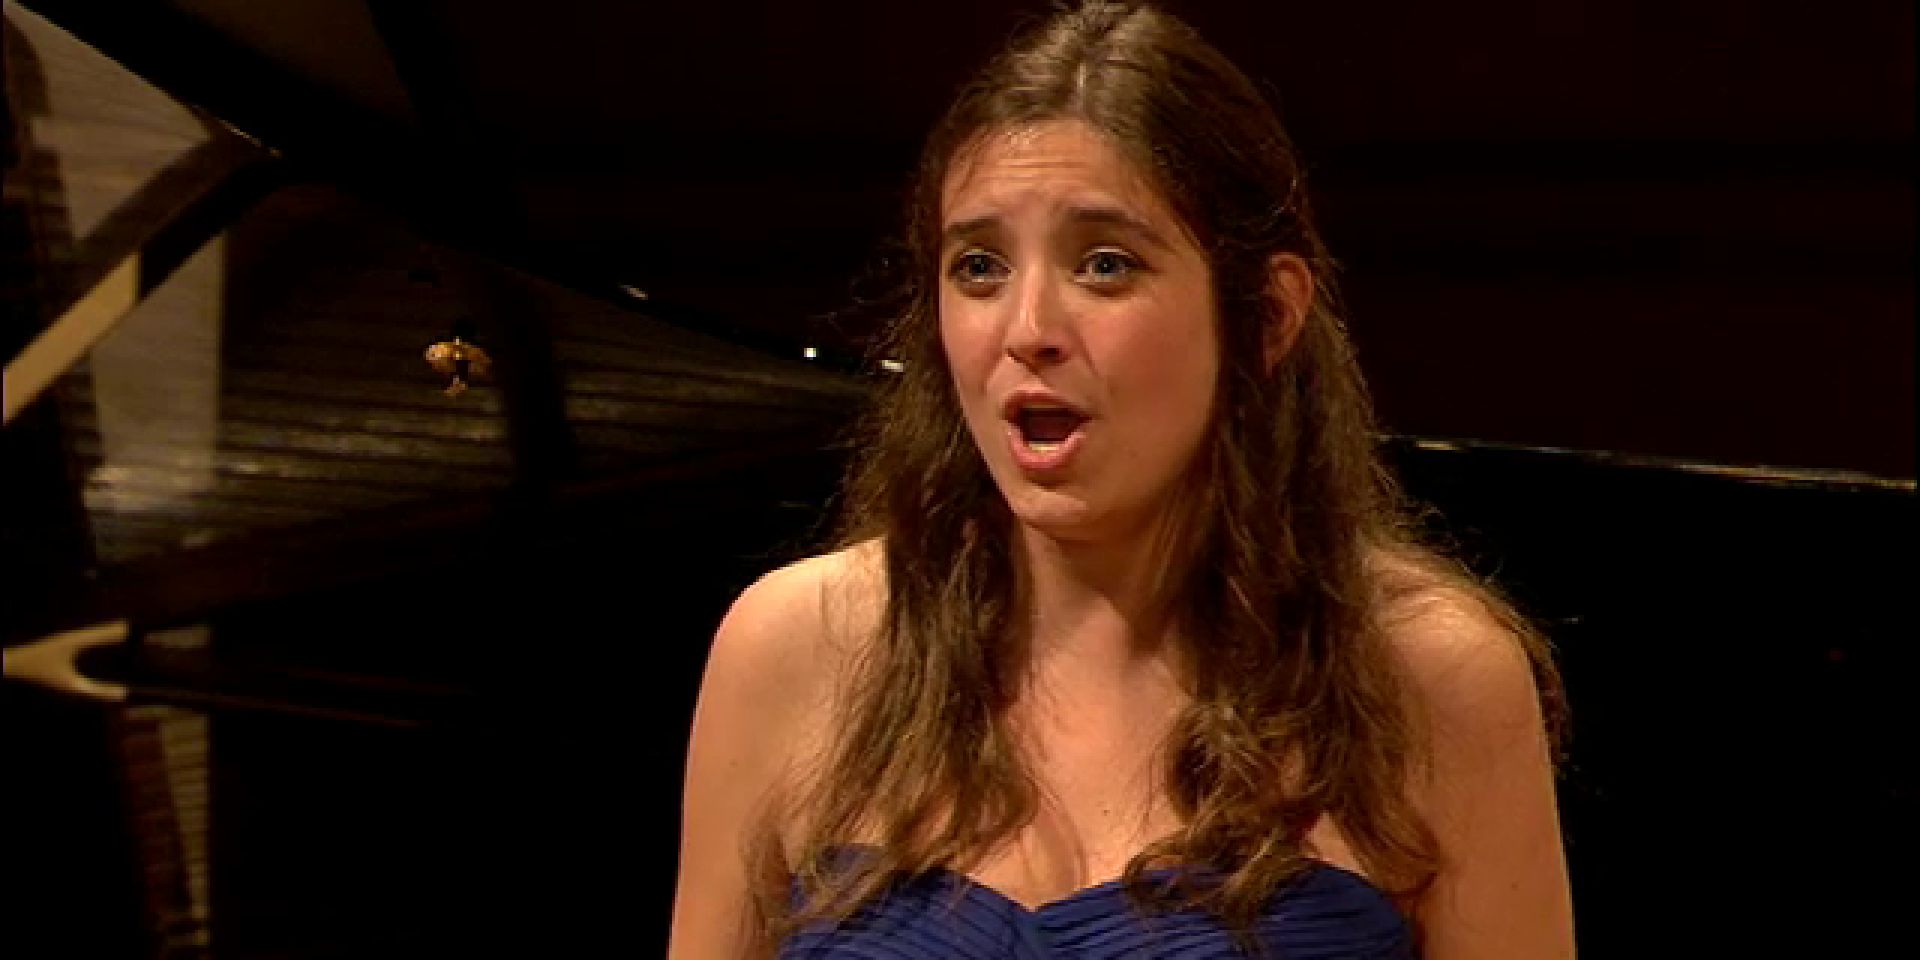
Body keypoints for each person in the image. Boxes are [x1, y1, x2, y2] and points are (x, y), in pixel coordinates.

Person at [669, 2, 1573, 956]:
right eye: (978, 266)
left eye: (1105, 264)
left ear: (1267, 318)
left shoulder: (1433, 680)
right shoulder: (792, 650)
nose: (1027, 329)